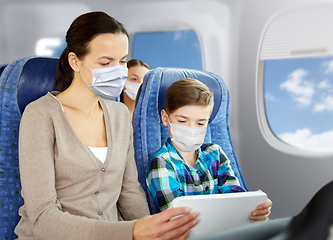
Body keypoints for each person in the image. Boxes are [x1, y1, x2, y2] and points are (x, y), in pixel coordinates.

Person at [15, 11, 198, 240]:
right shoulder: (40, 115)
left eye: (122, 61)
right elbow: (43, 218)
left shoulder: (119, 114)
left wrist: (153, 231)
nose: (118, 70)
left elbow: (129, 191)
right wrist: (132, 231)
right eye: (105, 62)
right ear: (75, 61)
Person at [146, 78, 272, 222]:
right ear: (165, 118)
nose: (191, 129)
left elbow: (233, 195)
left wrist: (252, 208)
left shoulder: (215, 153)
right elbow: (177, 218)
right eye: (182, 121)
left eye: (200, 123)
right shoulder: (161, 163)